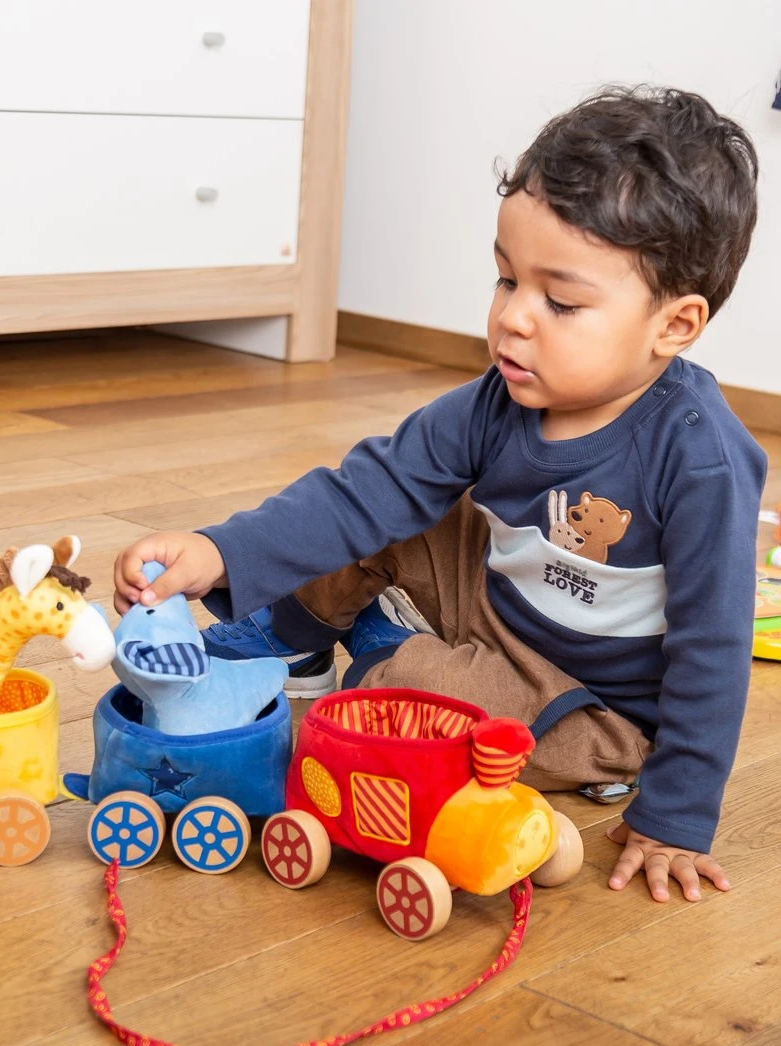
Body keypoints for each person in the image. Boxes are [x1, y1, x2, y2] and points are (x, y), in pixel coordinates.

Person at [114, 86, 766, 905]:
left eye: (560, 302)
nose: (512, 321)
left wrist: (677, 813)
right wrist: (216, 552)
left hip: (595, 704)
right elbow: (362, 495)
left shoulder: (701, 460)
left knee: (400, 706)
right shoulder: (496, 401)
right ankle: (292, 637)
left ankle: (382, 656)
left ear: (674, 326)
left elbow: (713, 650)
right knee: (383, 502)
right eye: (505, 281)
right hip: (496, 602)